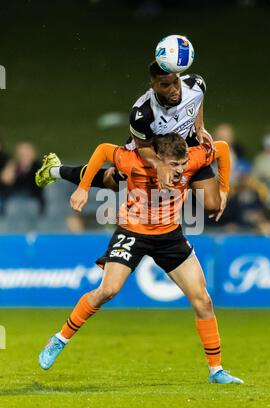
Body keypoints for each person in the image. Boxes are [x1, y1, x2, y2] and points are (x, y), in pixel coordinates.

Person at [39, 133, 243, 384]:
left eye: (183, 164)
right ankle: (59, 339)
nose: (180, 171)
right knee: (108, 290)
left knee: (203, 301)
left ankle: (216, 371)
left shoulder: (190, 159)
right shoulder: (134, 161)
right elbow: (103, 149)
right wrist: (82, 189)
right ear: (158, 159)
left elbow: (221, 149)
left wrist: (224, 189)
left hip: (169, 237)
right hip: (132, 232)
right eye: (174, 165)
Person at [36, 61, 227, 220]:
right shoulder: (142, 114)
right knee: (111, 182)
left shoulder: (195, 84)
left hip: (184, 147)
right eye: (165, 85)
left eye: (175, 82)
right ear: (153, 85)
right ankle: (55, 170)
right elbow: (142, 148)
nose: (174, 90)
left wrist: (199, 127)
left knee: (212, 205)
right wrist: (160, 165)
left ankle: (180, 179)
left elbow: (198, 100)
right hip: (151, 152)